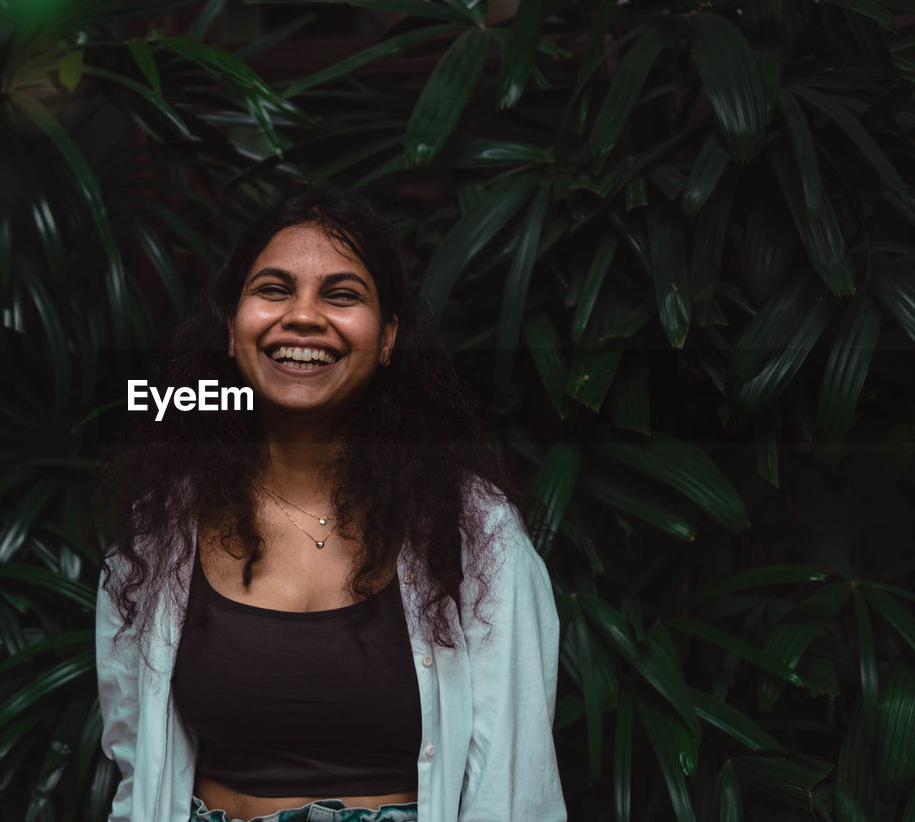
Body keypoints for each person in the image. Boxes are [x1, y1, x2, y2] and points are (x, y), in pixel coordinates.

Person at [96, 185, 565, 822]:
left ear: (391, 336)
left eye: (341, 295)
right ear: (232, 328)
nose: (304, 316)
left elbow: (516, 781)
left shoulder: (475, 532)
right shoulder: (160, 530)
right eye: (273, 290)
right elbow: (135, 757)